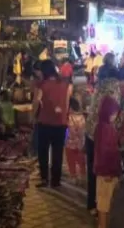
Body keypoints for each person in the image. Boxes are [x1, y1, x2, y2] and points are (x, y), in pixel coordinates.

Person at [33, 59, 72, 189]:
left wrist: (33, 116)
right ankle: (56, 181)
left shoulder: (41, 85)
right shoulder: (65, 84)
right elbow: (67, 102)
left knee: (43, 151)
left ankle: (44, 178)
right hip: (61, 123)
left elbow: (36, 103)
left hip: (45, 121)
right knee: (58, 152)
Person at [94, 88, 123, 228]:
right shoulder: (107, 129)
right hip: (107, 171)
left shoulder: (101, 126)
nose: (115, 116)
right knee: (105, 201)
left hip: (104, 170)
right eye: (113, 114)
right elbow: (106, 152)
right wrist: (109, 171)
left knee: (103, 200)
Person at [65, 96, 86, 184]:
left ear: (70, 107)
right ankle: (83, 176)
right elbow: (82, 131)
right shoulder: (82, 117)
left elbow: (70, 130)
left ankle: (73, 176)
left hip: (70, 143)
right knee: (81, 160)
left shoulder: (69, 117)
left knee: (71, 161)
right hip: (80, 143)